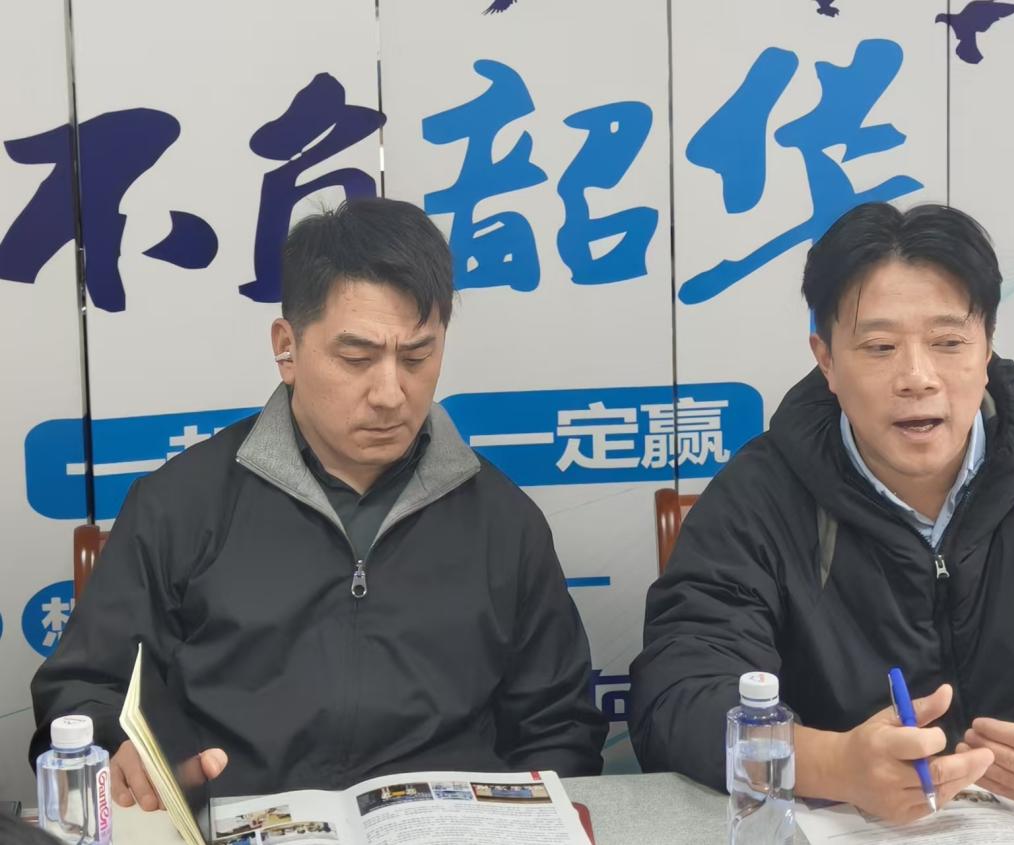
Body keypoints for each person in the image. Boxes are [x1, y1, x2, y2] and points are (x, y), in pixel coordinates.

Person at [629, 202, 1014, 824]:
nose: (917, 378)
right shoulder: (758, 496)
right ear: (826, 359)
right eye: (880, 347)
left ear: (987, 346)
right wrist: (835, 765)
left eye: (948, 343)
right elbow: (678, 694)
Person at [31, 198, 607, 806]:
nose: (391, 393)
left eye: (417, 356)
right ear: (287, 347)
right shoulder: (182, 504)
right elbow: (83, 689)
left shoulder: (502, 521)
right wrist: (113, 746)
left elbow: (558, 727)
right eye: (356, 358)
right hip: (238, 821)